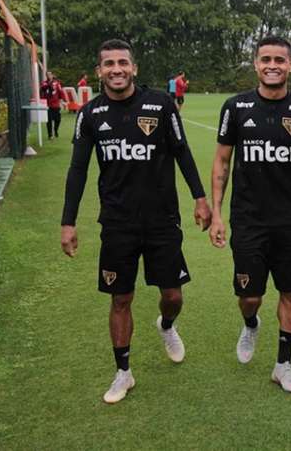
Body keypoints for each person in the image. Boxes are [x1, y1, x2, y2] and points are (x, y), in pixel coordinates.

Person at [60, 39, 212, 404]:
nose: (116, 69)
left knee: (172, 295)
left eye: (123, 62)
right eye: (109, 63)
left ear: (134, 68)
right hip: (117, 223)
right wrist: (68, 222)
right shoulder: (90, 114)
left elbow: (182, 152)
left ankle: (167, 326)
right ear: (99, 71)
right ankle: (123, 372)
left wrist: (200, 197)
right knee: (120, 298)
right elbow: (78, 170)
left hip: (162, 220)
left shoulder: (160, 104)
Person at [209, 36, 291, 393]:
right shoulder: (235, 107)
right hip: (248, 220)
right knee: (251, 296)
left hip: (290, 222)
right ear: (256, 64)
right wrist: (216, 213)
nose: (272, 65)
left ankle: (283, 365)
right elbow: (222, 162)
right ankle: (251, 323)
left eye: (280, 59)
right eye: (265, 59)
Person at [40, 71, 65, 138]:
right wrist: (49, 84)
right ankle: (50, 134)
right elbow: (43, 88)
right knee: (49, 120)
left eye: (50, 74)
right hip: (48, 105)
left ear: (52, 75)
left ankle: (55, 130)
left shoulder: (57, 83)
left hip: (56, 104)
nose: (49, 76)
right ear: (46, 76)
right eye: (47, 75)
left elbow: (60, 92)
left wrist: (62, 101)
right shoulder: (44, 83)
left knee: (58, 119)